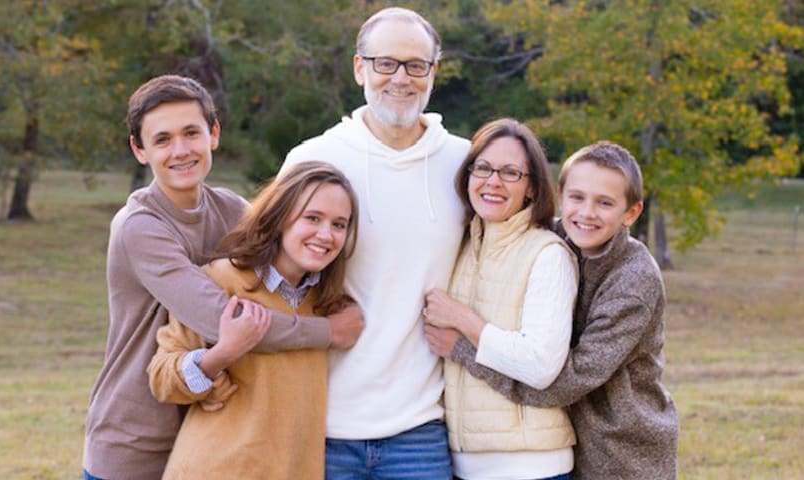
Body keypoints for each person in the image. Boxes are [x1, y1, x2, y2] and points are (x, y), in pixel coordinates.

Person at [82, 75, 363, 480]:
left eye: (191, 133)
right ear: (138, 150)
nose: (181, 150)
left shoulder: (232, 210)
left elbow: (284, 266)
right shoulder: (139, 227)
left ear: (213, 134)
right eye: (162, 140)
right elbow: (226, 320)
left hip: (212, 427)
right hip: (139, 440)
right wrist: (328, 332)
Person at [281, 7, 469, 478]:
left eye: (415, 65)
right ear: (359, 67)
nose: (400, 78)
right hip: (320, 423)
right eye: (385, 63)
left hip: (421, 429)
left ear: (433, 72)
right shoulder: (313, 158)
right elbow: (264, 271)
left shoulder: (466, 165)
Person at [429, 141, 679, 479]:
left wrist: (463, 347)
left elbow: (564, 383)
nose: (586, 213)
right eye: (577, 198)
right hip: (570, 444)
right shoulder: (555, 238)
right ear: (560, 195)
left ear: (631, 213)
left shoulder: (633, 282)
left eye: (604, 203)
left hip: (623, 454)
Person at [146, 161, 358, 479]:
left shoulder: (328, 305)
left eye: (339, 224)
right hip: (216, 469)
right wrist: (222, 354)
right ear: (281, 216)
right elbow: (162, 378)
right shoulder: (221, 282)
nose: (326, 234)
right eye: (312, 218)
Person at [422, 118, 579, 480]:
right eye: (484, 168)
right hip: (464, 464)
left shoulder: (547, 254)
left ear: (531, 189)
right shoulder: (460, 245)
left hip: (531, 467)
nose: (493, 181)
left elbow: (540, 365)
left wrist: (463, 321)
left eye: (510, 173)